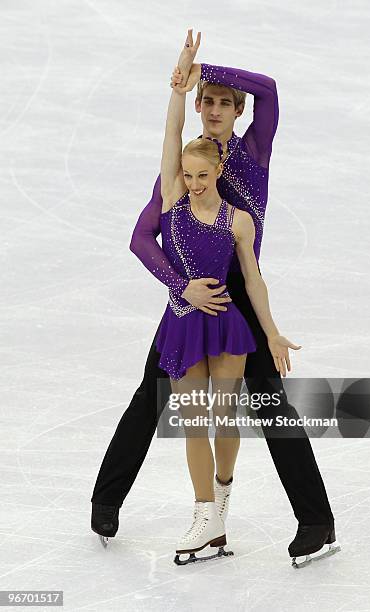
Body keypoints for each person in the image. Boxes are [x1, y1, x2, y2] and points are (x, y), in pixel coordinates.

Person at [91, 29, 339, 568]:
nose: (215, 108)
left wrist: (208, 68)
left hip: (240, 297)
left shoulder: (252, 151)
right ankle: (107, 499)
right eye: (209, 100)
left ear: (237, 109)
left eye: (225, 101)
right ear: (199, 106)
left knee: (271, 406)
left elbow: (269, 89)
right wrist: (181, 287)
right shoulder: (185, 168)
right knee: (149, 395)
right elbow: (142, 237)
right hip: (190, 299)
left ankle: (316, 520)